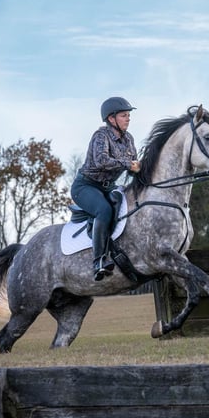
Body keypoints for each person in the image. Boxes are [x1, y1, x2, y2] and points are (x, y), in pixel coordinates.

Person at [71, 96, 141, 281]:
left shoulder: (129, 139)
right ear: (112, 119)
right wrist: (128, 164)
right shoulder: (100, 136)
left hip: (108, 187)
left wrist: (139, 170)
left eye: (128, 115)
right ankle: (98, 261)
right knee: (103, 210)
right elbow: (102, 161)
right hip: (85, 186)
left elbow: (132, 165)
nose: (128, 118)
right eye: (124, 115)